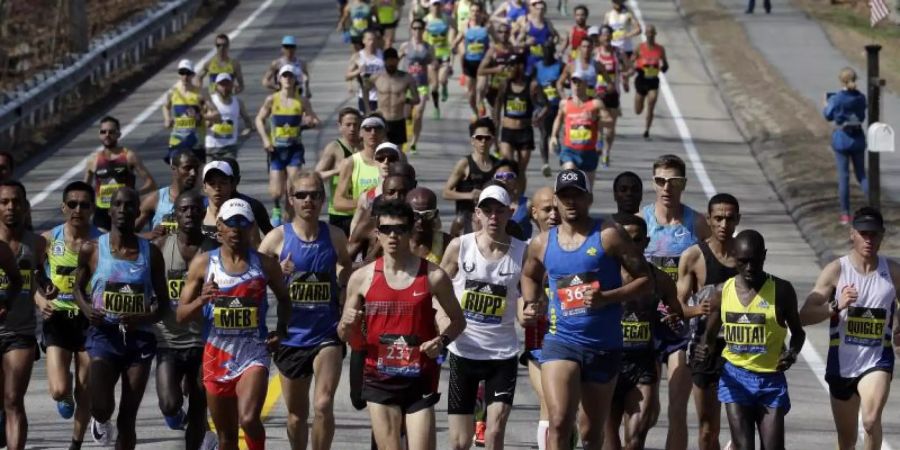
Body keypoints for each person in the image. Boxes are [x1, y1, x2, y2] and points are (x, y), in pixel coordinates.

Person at [520, 169, 651, 450]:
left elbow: (645, 281)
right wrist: (532, 302)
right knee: (558, 421)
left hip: (603, 346)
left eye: (576, 196)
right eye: (565, 196)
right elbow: (529, 274)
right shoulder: (542, 243)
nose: (570, 202)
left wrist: (607, 297)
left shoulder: (608, 235)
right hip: (561, 341)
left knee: (591, 434)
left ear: (588, 198)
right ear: (556, 200)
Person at [338, 199, 466, 450]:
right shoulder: (361, 278)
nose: (393, 235)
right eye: (386, 229)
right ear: (377, 233)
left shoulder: (433, 276)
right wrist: (346, 325)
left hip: (420, 379)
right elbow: (346, 336)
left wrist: (441, 342)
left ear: (411, 231)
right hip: (379, 379)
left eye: (400, 229)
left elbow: (458, 321)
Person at [176, 198, 291, 450]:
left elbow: (285, 299)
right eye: (231, 223)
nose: (236, 229)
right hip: (215, 356)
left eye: (243, 222)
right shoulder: (204, 263)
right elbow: (181, 315)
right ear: (219, 226)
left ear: (251, 227)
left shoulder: (265, 264)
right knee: (227, 438)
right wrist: (201, 300)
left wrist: (281, 331)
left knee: (249, 419)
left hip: (253, 353)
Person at [258, 172, 352, 450]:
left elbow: (345, 266)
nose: (308, 200)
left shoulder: (334, 235)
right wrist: (276, 272)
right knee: (297, 416)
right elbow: (251, 280)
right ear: (290, 199)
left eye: (314, 194)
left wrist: (343, 290)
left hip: (327, 334)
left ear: (323, 199)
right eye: (301, 195)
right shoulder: (277, 238)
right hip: (290, 336)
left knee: (322, 404)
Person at [693, 230, 805, 450]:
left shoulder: (782, 291)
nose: (749, 268)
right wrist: (704, 347)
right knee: (744, 446)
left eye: (755, 261)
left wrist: (791, 353)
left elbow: (798, 333)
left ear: (764, 256)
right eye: (743, 261)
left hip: (770, 380)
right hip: (736, 376)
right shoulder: (721, 292)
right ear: (734, 256)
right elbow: (710, 334)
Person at [73, 187, 167, 449]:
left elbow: (163, 304)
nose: (123, 210)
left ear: (138, 212)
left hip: (139, 339)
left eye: (129, 206)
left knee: (127, 418)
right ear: (109, 210)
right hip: (104, 336)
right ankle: (100, 420)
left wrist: (142, 317)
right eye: (118, 205)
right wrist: (86, 308)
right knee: (101, 406)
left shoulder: (151, 253)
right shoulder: (92, 249)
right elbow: (77, 288)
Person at [799, 207, 900, 450]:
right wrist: (836, 305)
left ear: (882, 235)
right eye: (863, 233)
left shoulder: (893, 272)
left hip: (877, 360)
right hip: (842, 365)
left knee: (870, 419)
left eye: (874, 234)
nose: (869, 239)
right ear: (852, 234)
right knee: (847, 441)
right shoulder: (837, 271)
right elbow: (803, 315)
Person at [440, 185, 526, 450]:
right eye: (487, 210)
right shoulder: (460, 247)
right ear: (477, 213)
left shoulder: (522, 251)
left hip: (502, 354)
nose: (493, 217)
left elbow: (528, 294)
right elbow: (437, 288)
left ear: (510, 212)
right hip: (464, 351)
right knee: (459, 442)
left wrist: (529, 310)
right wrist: (443, 323)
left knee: (495, 431)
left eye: (500, 211)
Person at [641, 154, 709, 450]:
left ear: (683, 183)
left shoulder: (698, 224)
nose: (666, 187)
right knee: (646, 412)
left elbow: (714, 272)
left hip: (681, 326)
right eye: (660, 181)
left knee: (677, 409)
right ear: (653, 183)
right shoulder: (641, 222)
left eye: (673, 181)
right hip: (644, 326)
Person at [605, 214, 683, 450]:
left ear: (646, 242)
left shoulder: (660, 280)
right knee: (608, 443)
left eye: (636, 240)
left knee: (635, 440)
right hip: (608, 363)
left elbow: (677, 314)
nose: (631, 246)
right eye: (625, 240)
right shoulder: (605, 277)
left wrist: (673, 321)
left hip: (643, 365)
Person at [38, 181, 102, 450]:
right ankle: (65, 395)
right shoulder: (49, 239)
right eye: (72, 204)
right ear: (63, 207)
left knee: (85, 389)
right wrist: (39, 298)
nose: (77, 209)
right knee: (59, 390)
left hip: (90, 321)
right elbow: (28, 273)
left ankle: (75, 443)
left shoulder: (102, 241)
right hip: (58, 320)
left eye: (84, 205)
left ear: (92, 209)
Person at [676, 193, 740, 450]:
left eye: (729, 219)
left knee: (742, 427)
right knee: (707, 429)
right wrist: (696, 310)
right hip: (705, 348)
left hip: (741, 347)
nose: (724, 225)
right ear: (709, 220)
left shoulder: (746, 256)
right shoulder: (694, 256)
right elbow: (675, 307)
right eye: (718, 219)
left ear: (738, 220)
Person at [151, 190, 211, 449]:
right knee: (169, 404)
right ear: (175, 214)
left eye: (195, 209)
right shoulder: (161, 247)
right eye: (184, 209)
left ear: (204, 212)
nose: (190, 214)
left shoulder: (215, 248)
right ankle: (177, 416)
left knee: (199, 407)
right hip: (168, 338)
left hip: (204, 340)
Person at [0, 181, 45, 450]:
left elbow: (48, 280)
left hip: (21, 332)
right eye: (4, 202)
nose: (10, 207)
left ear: (26, 207)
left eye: (16, 201)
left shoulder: (38, 244)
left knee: (14, 399)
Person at [256, 64, 321, 226]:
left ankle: (289, 218)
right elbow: (259, 119)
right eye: (284, 76)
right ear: (279, 79)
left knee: (293, 186)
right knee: (277, 191)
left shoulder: (302, 101)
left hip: (294, 149)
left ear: (295, 79)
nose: (287, 79)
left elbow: (315, 120)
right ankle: (277, 207)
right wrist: (265, 139)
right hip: (276, 149)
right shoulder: (272, 99)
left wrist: (310, 122)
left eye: (290, 76)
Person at [520, 186, 558, 450]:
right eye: (546, 209)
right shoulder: (526, 250)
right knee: (550, 403)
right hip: (539, 342)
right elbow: (516, 291)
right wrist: (524, 308)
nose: (553, 214)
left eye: (557, 208)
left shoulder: (577, 244)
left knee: (564, 410)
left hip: (574, 338)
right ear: (534, 213)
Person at [84, 116, 157, 231]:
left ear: (118, 134)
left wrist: (133, 194)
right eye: (103, 132)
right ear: (99, 134)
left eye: (111, 132)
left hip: (125, 211)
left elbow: (151, 183)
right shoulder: (93, 160)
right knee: (103, 245)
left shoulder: (129, 156)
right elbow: (85, 190)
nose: (107, 135)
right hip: (102, 213)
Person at [823, 67, 868, 225]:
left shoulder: (837, 98)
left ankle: (845, 214)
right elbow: (862, 116)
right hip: (857, 139)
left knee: (844, 177)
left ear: (841, 80)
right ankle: (873, 207)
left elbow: (828, 116)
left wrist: (826, 104)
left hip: (842, 139)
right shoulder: (861, 97)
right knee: (862, 175)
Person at [348, 165, 417, 263]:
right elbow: (344, 261)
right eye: (391, 192)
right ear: (383, 194)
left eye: (403, 193)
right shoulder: (371, 218)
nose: (397, 197)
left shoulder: (419, 220)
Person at [443, 117, 498, 237]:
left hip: (490, 219)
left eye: (487, 138)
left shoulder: (498, 165)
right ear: (472, 141)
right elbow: (446, 193)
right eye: (479, 138)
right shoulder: (465, 164)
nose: (483, 141)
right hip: (466, 219)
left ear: (492, 140)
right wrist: (469, 195)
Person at [550, 69, 603, 186]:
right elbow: (558, 119)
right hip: (570, 151)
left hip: (589, 151)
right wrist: (554, 136)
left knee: (587, 191)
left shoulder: (595, 104)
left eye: (580, 82)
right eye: (574, 82)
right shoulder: (565, 103)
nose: (577, 85)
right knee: (570, 181)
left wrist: (600, 141)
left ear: (586, 84)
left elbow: (605, 122)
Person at [315, 107, 363, 237]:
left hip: (364, 211)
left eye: (355, 125)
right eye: (348, 125)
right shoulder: (334, 148)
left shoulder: (367, 148)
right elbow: (316, 176)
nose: (352, 128)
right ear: (339, 126)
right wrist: (337, 171)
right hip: (341, 213)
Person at [199, 161, 265, 251]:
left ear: (232, 185)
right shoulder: (196, 215)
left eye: (223, 183)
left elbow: (257, 249)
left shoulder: (244, 216)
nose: (217, 188)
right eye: (212, 183)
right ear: (204, 187)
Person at [136, 149, 201, 235]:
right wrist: (149, 235)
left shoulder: (203, 201)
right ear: (174, 169)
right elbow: (128, 233)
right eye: (187, 168)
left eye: (196, 168)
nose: (193, 173)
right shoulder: (155, 199)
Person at [333, 114, 389, 215]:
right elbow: (338, 203)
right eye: (368, 129)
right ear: (360, 133)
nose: (373, 132)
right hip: (362, 221)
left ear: (384, 132)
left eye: (378, 128)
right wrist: (367, 201)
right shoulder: (350, 162)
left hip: (388, 221)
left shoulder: (395, 159)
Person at [365, 48, 420, 148]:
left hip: (398, 120)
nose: (391, 64)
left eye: (393, 61)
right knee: (381, 152)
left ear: (397, 61)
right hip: (382, 120)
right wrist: (368, 109)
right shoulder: (377, 77)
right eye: (388, 62)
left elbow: (417, 99)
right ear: (384, 61)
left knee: (397, 155)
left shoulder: (407, 78)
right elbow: (365, 90)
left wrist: (407, 101)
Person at [496, 55, 542, 174]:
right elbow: (496, 108)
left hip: (525, 133)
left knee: (521, 171)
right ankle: (509, 192)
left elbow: (545, 105)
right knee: (507, 168)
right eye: (508, 66)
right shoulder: (504, 84)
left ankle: (520, 193)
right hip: (507, 132)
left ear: (520, 66)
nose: (508, 69)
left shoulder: (532, 85)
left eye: (512, 65)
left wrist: (539, 116)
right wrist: (495, 134)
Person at [399, 20, 435, 153]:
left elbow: (433, 64)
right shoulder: (405, 46)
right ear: (411, 29)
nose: (417, 31)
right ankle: (403, 139)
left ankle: (414, 142)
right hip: (407, 85)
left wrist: (434, 82)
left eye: (420, 28)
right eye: (415, 28)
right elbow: (396, 61)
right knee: (406, 115)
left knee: (418, 114)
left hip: (422, 85)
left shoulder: (428, 47)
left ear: (424, 30)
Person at [163, 59, 206, 163]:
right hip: (177, 140)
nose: (185, 76)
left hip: (196, 141)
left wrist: (201, 116)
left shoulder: (199, 93)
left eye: (188, 73)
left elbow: (212, 112)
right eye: (182, 73)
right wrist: (167, 118)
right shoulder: (173, 92)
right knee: (176, 172)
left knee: (197, 174)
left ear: (192, 75)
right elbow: (165, 106)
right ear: (179, 74)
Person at [204, 73, 254, 162]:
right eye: (221, 84)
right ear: (216, 86)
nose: (224, 87)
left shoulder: (238, 102)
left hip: (229, 148)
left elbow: (248, 122)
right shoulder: (210, 102)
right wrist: (207, 123)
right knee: (210, 173)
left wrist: (247, 131)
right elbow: (200, 119)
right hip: (211, 147)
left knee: (228, 172)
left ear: (232, 85)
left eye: (227, 84)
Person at [593, 26, 623, 168]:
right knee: (600, 117)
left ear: (612, 36)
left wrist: (626, 76)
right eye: (603, 35)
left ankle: (606, 153)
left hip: (613, 93)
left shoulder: (617, 52)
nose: (606, 37)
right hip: (598, 92)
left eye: (608, 35)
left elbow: (629, 66)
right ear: (599, 37)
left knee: (611, 126)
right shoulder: (595, 53)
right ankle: (598, 138)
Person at [453, 2, 489, 117]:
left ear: (482, 13)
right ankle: (477, 115)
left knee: (480, 89)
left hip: (483, 63)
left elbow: (496, 41)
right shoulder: (465, 25)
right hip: (469, 63)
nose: (475, 14)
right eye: (472, 11)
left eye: (477, 11)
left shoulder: (487, 26)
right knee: (470, 95)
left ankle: (480, 102)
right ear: (469, 13)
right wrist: (453, 47)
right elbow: (457, 40)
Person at [632, 25, 668, 140]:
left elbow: (666, 64)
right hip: (641, 79)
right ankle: (640, 108)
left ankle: (647, 130)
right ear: (645, 34)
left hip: (653, 80)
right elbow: (632, 60)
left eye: (652, 33)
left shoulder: (660, 49)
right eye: (648, 33)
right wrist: (632, 67)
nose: (650, 35)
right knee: (638, 110)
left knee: (651, 103)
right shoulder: (639, 47)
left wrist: (662, 68)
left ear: (655, 34)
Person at [534, 40, 564, 177]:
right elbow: (532, 86)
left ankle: (558, 148)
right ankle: (545, 163)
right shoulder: (537, 66)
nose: (547, 52)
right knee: (544, 133)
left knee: (555, 133)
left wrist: (557, 84)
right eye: (545, 49)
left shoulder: (560, 65)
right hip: (542, 105)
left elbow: (567, 82)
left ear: (553, 50)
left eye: (550, 49)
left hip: (556, 105)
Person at [477, 22, 516, 118]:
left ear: (509, 33)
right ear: (497, 34)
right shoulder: (493, 51)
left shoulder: (513, 50)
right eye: (500, 32)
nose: (503, 34)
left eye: (506, 32)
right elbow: (480, 71)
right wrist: (495, 69)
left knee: (511, 118)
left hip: (511, 89)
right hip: (495, 88)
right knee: (495, 118)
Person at [514, 0, 559, 76]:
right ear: (534, 10)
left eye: (542, 9)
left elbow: (557, 37)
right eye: (538, 9)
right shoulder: (528, 25)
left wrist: (552, 43)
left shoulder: (548, 23)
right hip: (531, 60)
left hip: (545, 59)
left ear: (545, 10)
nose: (540, 11)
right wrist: (526, 43)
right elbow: (517, 43)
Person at [408, 187, 452, 264]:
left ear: (435, 214)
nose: (420, 221)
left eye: (427, 215)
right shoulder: (396, 241)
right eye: (415, 215)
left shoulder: (447, 243)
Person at [346, 30, 385, 114]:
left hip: (381, 96)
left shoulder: (382, 55)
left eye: (374, 39)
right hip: (365, 97)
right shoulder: (358, 56)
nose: (372, 42)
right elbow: (347, 76)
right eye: (369, 39)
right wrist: (358, 71)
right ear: (364, 41)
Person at [424, 0, 453, 107]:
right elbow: (422, 38)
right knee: (434, 85)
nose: (436, 7)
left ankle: (444, 86)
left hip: (444, 53)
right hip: (432, 55)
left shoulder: (446, 18)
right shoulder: (426, 20)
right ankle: (436, 107)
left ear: (441, 6)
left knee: (442, 79)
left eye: (438, 5)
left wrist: (452, 41)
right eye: (434, 5)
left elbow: (455, 27)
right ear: (430, 6)